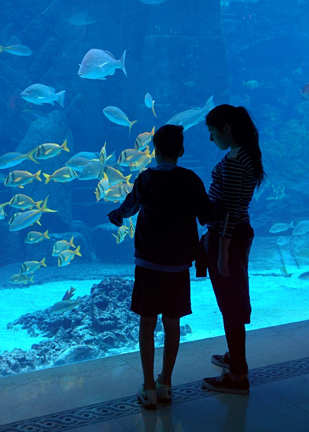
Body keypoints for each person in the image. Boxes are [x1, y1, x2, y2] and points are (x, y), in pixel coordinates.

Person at [108, 124, 211, 409]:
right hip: (177, 267)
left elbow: (129, 207)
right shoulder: (190, 180)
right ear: (181, 150)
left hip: (148, 265)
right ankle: (166, 382)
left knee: (147, 323)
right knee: (172, 323)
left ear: (154, 150)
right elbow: (206, 214)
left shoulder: (145, 179)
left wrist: (116, 216)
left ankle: (148, 385)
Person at [201, 104, 265, 395]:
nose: (212, 140)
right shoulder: (245, 156)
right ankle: (234, 356)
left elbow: (231, 208)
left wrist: (222, 248)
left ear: (227, 129)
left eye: (213, 133)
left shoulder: (237, 161)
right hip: (236, 234)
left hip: (229, 237)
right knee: (232, 297)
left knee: (231, 303)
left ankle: (238, 373)